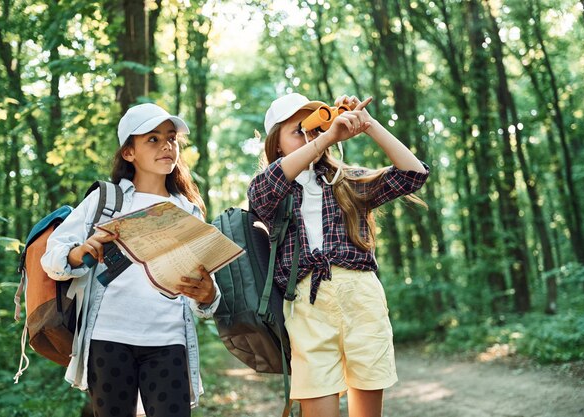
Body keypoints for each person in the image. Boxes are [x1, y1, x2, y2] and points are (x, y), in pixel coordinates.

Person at [248, 93, 430, 417]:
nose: (312, 136)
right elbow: (261, 191)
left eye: (316, 128)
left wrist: (368, 124)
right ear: (276, 145)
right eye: (299, 130)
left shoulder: (344, 181)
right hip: (307, 306)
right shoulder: (274, 189)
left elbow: (413, 174)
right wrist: (326, 137)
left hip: (361, 297)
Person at [41, 103, 220, 417]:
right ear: (128, 153)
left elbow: (202, 292)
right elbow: (52, 258)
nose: (166, 145)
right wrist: (79, 252)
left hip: (169, 341)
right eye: (152, 139)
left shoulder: (188, 209)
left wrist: (208, 295)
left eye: (171, 138)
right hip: (108, 339)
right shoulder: (106, 200)